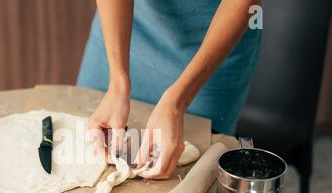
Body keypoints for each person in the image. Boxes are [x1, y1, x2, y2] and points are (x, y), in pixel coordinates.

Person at [77, 0, 261, 179]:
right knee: (83, 150)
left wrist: (177, 103)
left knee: (192, 175)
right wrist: (117, 82)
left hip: (215, 42)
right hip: (122, 26)